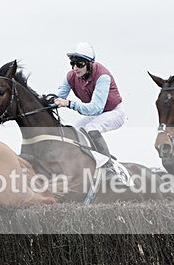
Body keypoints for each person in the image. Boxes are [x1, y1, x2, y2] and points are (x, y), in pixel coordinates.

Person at [53, 42, 126, 175]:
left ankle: (109, 167)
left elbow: (95, 109)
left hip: (114, 112)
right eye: (72, 63)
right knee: (74, 132)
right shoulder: (70, 76)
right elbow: (57, 97)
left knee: (91, 129)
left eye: (79, 64)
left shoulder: (102, 76)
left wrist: (69, 104)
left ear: (90, 63)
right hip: (97, 113)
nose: (75, 68)